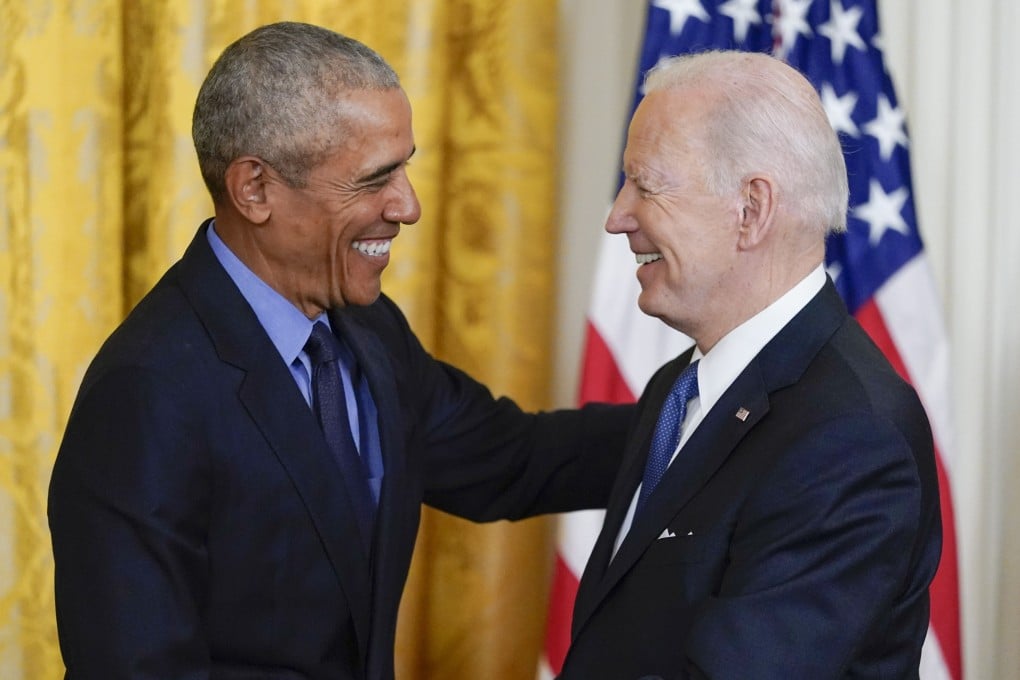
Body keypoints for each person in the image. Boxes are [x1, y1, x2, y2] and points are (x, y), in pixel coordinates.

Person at [48, 22, 632, 680]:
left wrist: (708, 408)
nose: (408, 206)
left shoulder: (367, 329)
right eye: (373, 180)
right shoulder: (149, 390)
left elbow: (513, 461)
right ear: (255, 189)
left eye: (405, 167)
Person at [558, 51, 941, 679]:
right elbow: (511, 455)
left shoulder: (851, 437)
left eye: (645, 185)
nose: (617, 217)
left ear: (751, 210)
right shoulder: (683, 387)